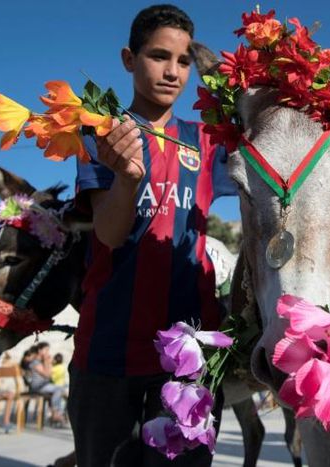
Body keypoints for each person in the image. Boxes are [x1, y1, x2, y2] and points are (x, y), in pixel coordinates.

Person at [68, 4, 236, 467]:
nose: (173, 71)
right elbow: (108, 232)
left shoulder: (209, 141)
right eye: (159, 56)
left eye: (184, 62)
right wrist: (125, 177)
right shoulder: (98, 133)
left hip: (190, 355)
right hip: (107, 350)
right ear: (128, 58)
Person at [28, 342, 66, 425]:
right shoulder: (36, 362)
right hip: (38, 387)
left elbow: (49, 375)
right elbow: (47, 375)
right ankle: (55, 413)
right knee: (58, 389)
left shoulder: (41, 362)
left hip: (44, 386)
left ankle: (55, 414)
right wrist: (47, 362)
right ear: (40, 350)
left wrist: (48, 363)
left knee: (59, 390)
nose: (48, 352)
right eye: (46, 350)